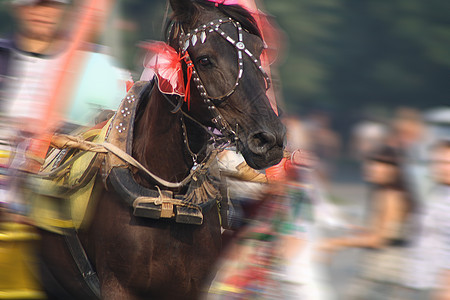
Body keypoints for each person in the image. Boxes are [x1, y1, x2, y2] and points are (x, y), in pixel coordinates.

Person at [319, 145, 416, 299]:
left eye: (379, 164)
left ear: (394, 170)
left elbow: (379, 239)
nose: (372, 168)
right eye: (371, 163)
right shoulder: (383, 192)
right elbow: (383, 231)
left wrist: (335, 243)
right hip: (380, 269)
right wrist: (358, 231)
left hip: (385, 271)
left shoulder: (391, 196)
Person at [403, 139, 450, 300]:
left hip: (441, 288)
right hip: (421, 281)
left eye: (446, 163)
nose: (441, 168)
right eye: (436, 162)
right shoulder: (435, 192)